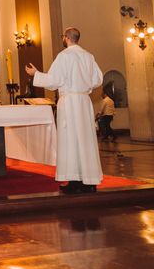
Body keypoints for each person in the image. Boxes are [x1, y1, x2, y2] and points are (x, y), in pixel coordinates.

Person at [25, 27, 103, 194]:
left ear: (67, 38)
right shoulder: (89, 56)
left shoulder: (64, 56)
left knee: (71, 139)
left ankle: (75, 180)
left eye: (62, 36)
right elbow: (98, 79)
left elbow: (54, 80)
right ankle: (89, 181)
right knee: (86, 139)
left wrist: (36, 74)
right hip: (84, 101)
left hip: (69, 102)